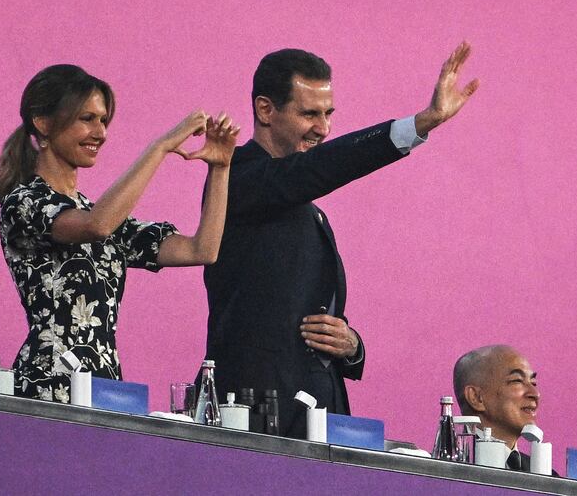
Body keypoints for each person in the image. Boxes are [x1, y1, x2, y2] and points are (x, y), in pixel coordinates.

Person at [203, 43, 479, 437]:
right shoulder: (237, 180)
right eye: (309, 114)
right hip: (255, 416)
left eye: (328, 114)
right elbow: (321, 168)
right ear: (265, 110)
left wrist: (351, 346)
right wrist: (419, 124)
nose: (323, 128)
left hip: (321, 419)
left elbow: (306, 314)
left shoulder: (307, 210)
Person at [0, 64, 240, 402]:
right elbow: (97, 225)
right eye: (87, 118)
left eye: (104, 120)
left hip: (106, 388)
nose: (101, 133)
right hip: (49, 385)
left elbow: (202, 250)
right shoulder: (24, 203)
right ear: (43, 122)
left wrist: (221, 167)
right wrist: (161, 147)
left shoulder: (102, 216)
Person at [453, 345, 542, 473]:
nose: (535, 393)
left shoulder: (547, 477)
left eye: (533, 383)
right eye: (517, 381)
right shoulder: (447, 473)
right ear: (476, 397)